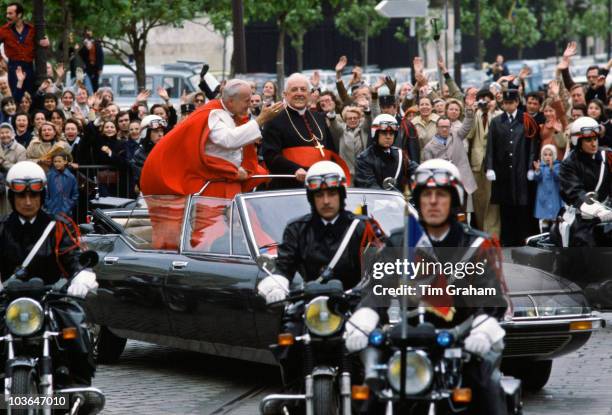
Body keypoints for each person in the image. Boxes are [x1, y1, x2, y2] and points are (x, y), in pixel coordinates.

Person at [345, 159, 508, 414]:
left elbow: (492, 298)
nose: (433, 202)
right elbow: (377, 286)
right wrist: (365, 313)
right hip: (407, 339)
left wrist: (482, 328)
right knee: (369, 396)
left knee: (486, 388)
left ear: (454, 200)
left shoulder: (476, 244)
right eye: (426, 194)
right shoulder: (400, 240)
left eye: (441, 194)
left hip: (462, 339)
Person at [0, 161, 97, 386]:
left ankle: (78, 388)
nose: (27, 201)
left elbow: (72, 255)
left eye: (33, 196)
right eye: (21, 196)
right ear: (11, 197)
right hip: (7, 300)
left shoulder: (58, 226)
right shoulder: (3, 228)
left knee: (75, 327)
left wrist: (81, 275)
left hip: (50, 298)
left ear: (42, 196)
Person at [141, 78, 282, 198]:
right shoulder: (213, 114)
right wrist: (260, 120)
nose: (249, 104)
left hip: (229, 181)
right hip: (214, 186)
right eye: (246, 101)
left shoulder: (229, 112)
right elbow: (229, 140)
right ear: (231, 102)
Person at [262, 73, 346, 189]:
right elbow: (270, 156)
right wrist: (294, 169)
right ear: (285, 95)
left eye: (303, 89)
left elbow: (331, 150)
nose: (299, 93)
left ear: (310, 94)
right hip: (289, 185)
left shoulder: (319, 117)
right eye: (294, 90)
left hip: (321, 184)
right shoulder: (274, 119)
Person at [485, 89, 538, 246]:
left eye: (511, 102)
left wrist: (530, 167)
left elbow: (532, 145)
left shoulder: (526, 120)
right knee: (505, 205)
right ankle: (507, 239)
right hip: (502, 170)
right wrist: (489, 167)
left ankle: (523, 238)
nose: (508, 106)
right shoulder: (496, 122)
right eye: (506, 103)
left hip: (520, 168)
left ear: (516, 102)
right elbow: (490, 146)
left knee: (522, 205)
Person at [559, 117, 612, 247]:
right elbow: (575, 193)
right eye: (588, 140)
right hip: (580, 216)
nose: (594, 143)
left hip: (608, 212)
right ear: (577, 141)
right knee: (585, 244)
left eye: (595, 139)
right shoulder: (569, 163)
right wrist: (598, 210)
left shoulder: (608, 156)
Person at [354, 114, 415, 190]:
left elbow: (416, 170)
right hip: (374, 200)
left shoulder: (400, 155)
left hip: (399, 200)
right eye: (384, 133)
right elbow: (369, 185)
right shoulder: (363, 159)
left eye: (391, 134)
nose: (388, 137)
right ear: (376, 134)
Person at [0, 2, 50, 95]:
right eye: (7, 13)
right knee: (17, 95)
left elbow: (42, 42)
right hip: (13, 67)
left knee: (30, 95)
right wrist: (1, 60)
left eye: (10, 13)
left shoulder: (31, 29)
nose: (7, 16)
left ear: (19, 14)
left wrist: (47, 42)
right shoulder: (3, 30)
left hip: (29, 67)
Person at [530, 144, 562, 233]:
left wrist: (552, 169)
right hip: (543, 197)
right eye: (545, 154)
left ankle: (554, 236)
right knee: (544, 219)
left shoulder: (557, 166)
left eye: (550, 155)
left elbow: (558, 178)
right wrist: (537, 170)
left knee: (554, 218)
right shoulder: (541, 167)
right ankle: (543, 235)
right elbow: (537, 178)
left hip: (554, 197)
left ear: (554, 155)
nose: (547, 157)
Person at [131, 115, 166, 191]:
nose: (160, 134)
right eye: (156, 131)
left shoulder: (167, 151)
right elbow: (143, 180)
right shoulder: (139, 154)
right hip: (150, 195)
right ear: (146, 134)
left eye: (161, 131)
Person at [0, 122, 26, 214]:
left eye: (7, 132)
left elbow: (19, 169)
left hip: (11, 184)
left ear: (12, 134)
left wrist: (3, 162)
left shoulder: (20, 149)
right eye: (2, 133)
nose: (4, 135)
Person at [44, 151, 78, 217]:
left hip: (66, 211)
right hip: (51, 210)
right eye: (55, 161)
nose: (57, 163)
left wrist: (69, 205)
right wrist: (48, 204)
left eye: (59, 161)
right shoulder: (49, 176)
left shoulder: (71, 177)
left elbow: (75, 194)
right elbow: (45, 192)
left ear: (65, 162)